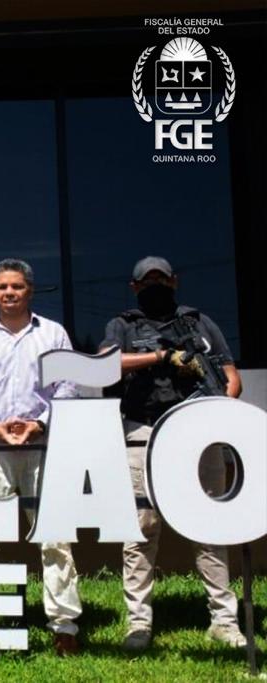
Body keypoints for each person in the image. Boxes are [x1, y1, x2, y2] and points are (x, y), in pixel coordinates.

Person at [100, 256, 246, 652]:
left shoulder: (199, 322)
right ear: (134, 287)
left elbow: (231, 376)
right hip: (142, 429)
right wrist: (161, 358)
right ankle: (138, 624)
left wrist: (216, 404)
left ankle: (224, 621)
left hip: (196, 430)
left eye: (161, 280)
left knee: (209, 526)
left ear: (174, 282)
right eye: (147, 281)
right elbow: (106, 366)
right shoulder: (123, 325)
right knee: (141, 528)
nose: (155, 286)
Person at [0, 258, 82, 656]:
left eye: (17, 286)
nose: (10, 293)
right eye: (3, 287)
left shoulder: (54, 333)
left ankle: (64, 626)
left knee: (54, 538)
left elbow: (68, 386)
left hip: (42, 446)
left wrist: (38, 424)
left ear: (30, 291)